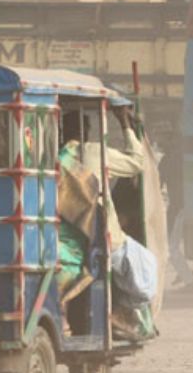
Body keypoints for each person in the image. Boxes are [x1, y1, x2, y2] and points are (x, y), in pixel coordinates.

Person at [60, 107, 158, 326]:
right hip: (101, 238)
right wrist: (125, 124)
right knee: (147, 265)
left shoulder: (53, 160)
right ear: (85, 130)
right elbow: (136, 162)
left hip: (66, 238)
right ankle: (121, 312)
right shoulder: (93, 151)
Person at [158, 135, 193, 293]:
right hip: (189, 206)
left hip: (178, 207)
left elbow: (157, 184)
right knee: (176, 244)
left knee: (171, 248)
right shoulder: (186, 158)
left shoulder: (167, 160)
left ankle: (191, 283)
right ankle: (185, 273)